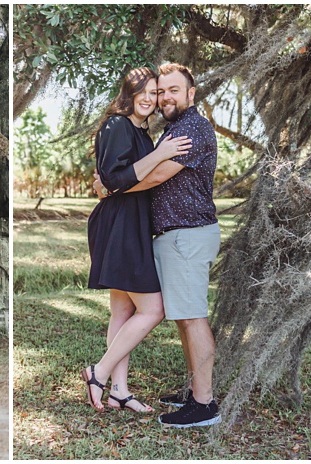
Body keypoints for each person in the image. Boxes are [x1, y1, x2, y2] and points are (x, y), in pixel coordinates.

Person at [94, 63, 221, 428]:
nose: (163, 97)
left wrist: (110, 186)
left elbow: (154, 177)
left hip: (187, 234)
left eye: (171, 91)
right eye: (159, 91)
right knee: (184, 316)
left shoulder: (192, 129)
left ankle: (204, 404)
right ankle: (196, 389)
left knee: (192, 316)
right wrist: (111, 183)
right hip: (173, 236)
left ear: (191, 94)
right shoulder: (171, 130)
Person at [80, 67, 191, 413]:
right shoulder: (117, 124)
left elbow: (112, 180)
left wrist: (153, 154)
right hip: (120, 225)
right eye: (141, 90)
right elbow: (115, 178)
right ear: (128, 93)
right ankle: (98, 373)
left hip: (132, 222)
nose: (148, 97)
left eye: (154, 92)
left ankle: (119, 391)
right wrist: (160, 154)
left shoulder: (140, 130)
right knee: (153, 309)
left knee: (123, 310)